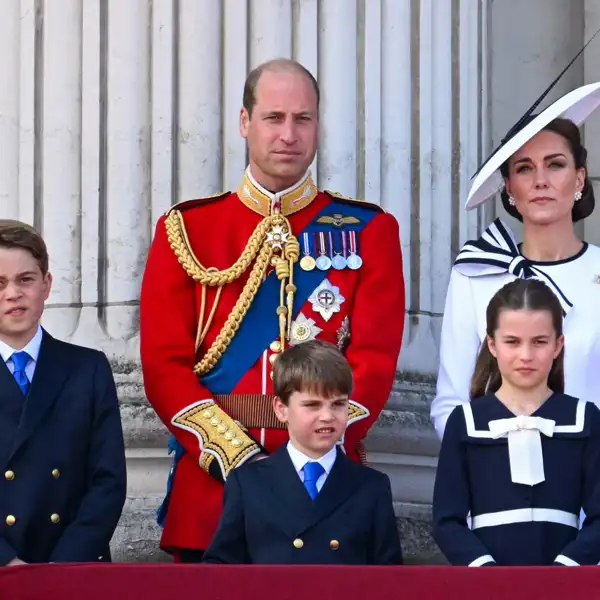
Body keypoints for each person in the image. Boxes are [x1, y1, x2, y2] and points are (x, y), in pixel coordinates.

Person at [139, 57, 405, 562]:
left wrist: (313, 450)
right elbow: (163, 366)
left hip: (327, 495)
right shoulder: (187, 229)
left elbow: (373, 359)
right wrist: (237, 458)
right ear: (245, 122)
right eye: (274, 118)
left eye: (302, 119)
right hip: (214, 491)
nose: (289, 134)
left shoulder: (369, 230)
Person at [431, 80, 600, 440]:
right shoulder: (477, 273)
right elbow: (451, 404)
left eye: (555, 165)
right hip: (496, 480)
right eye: (524, 168)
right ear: (508, 187)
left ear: (579, 178)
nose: (540, 180)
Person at [432, 278, 600, 566]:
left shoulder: (585, 419)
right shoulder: (466, 421)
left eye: (539, 342)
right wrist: (487, 572)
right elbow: (447, 521)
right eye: (512, 342)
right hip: (487, 587)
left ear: (558, 345)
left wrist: (565, 570)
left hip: (565, 586)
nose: (526, 355)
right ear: (492, 344)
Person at [202, 339, 403, 565]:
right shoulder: (248, 483)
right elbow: (221, 569)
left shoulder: (371, 486)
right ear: (281, 409)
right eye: (312, 405)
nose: (327, 416)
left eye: (338, 404)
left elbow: (389, 577)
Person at [0, 219, 127, 566]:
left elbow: (108, 481)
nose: (13, 293)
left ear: (46, 284)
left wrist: (62, 567)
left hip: (72, 566)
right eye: (0, 283)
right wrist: (8, 563)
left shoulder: (88, 369)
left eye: (25, 279)